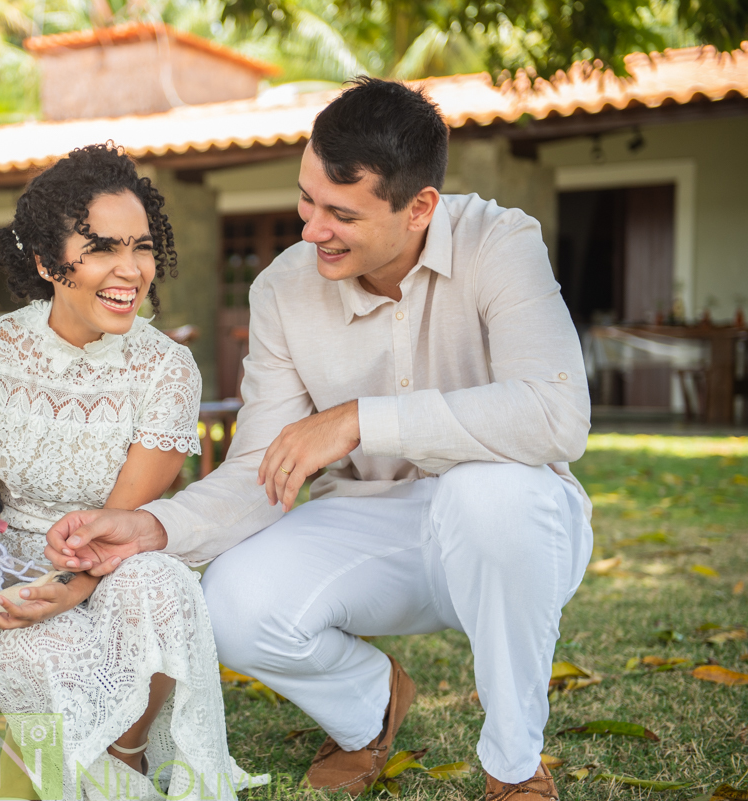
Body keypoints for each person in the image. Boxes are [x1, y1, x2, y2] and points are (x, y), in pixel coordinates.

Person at [45, 79, 593, 801]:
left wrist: (360, 417)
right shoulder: (282, 289)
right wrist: (152, 525)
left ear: (420, 207)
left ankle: (515, 768)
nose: (311, 230)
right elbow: (261, 471)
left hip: (514, 526)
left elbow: (556, 413)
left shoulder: (502, 241)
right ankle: (369, 705)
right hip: (370, 523)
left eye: (341, 213)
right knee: (234, 600)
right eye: (307, 200)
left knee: (486, 493)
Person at [0, 143, 259, 801]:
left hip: (115, 570)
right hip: (15, 582)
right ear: (47, 263)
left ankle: (118, 759)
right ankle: (81, 768)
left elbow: (117, 531)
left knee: (159, 581)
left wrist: (75, 582)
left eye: (141, 246)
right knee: (19, 651)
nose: (129, 269)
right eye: (102, 248)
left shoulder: (166, 369)